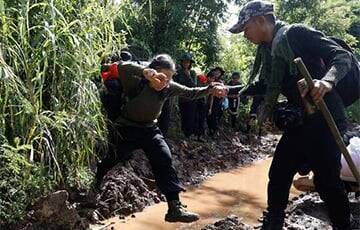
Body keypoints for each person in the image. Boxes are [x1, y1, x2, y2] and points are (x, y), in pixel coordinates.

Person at [229, 0, 360, 229]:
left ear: (261, 20)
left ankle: (343, 226)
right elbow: (264, 84)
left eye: (246, 28)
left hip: (326, 115)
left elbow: (341, 56)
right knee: (279, 173)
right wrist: (230, 91)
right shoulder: (268, 52)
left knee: (327, 181)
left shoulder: (297, 34)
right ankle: (274, 223)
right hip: (300, 118)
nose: (244, 34)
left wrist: (326, 82)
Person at [96, 54, 227, 223]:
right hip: (127, 128)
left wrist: (210, 89)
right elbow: (120, 66)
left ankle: (174, 207)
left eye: (170, 78)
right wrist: (145, 72)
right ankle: (96, 182)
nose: (166, 82)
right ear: (153, 72)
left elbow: (191, 93)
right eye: (164, 77)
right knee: (111, 159)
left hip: (150, 130)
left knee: (164, 160)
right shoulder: (136, 79)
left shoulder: (168, 87)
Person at [173, 53, 198, 138]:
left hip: (191, 98)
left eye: (188, 62)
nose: (186, 64)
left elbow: (194, 86)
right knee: (183, 116)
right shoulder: (178, 72)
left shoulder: (192, 73)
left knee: (190, 117)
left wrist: (188, 76)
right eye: (184, 62)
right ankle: (183, 133)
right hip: (181, 98)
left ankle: (189, 134)